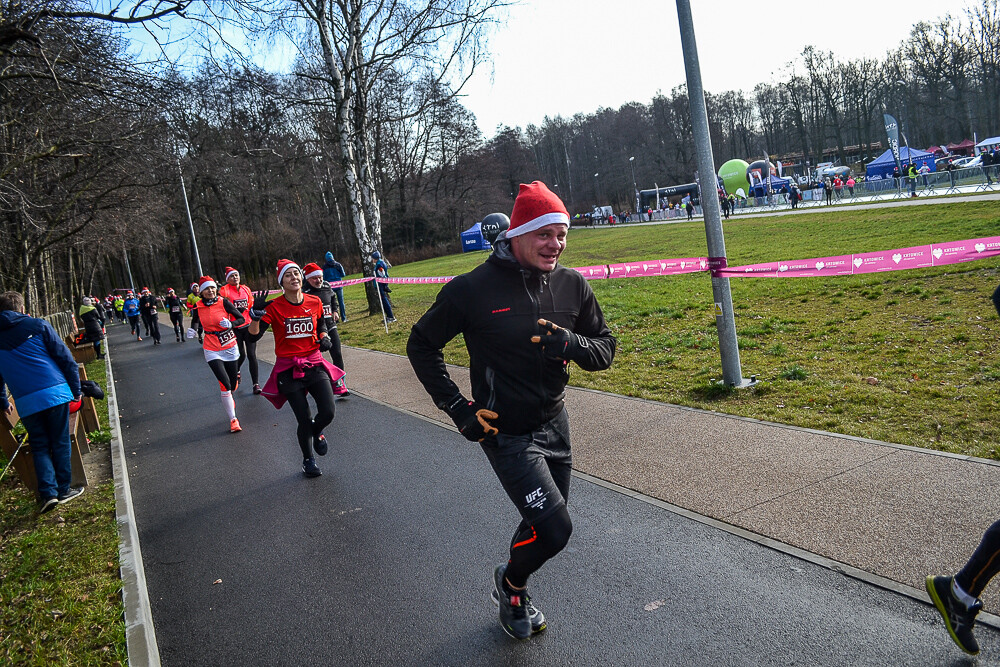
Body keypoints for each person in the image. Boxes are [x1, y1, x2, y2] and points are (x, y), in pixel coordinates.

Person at [407, 181, 617, 640]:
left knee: (541, 524)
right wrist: (460, 410)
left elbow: (605, 351)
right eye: (545, 234)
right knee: (556, 529)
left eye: (562, 234)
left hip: (555, 424)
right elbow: (421, 345)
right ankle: (511, 584)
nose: (555, 244)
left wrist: (572, 343)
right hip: (505, 433)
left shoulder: (571, 284)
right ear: (518, 233)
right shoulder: (472, 290)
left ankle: (513, 587)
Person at [247, 260, 343, 478]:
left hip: (314, 363)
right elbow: (252, 336)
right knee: (303, 417)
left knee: (328, 411)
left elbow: (320, 323)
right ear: (282, 281)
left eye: (296, 274)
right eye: (288, 275)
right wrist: (254, 316)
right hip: (288, 369)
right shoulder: (273, 307)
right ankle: (308, 460)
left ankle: (317, 431)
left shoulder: (314, 300)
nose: (294, 278)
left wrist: (324, 336)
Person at [0, 291, 85, 513]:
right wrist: (76, 390)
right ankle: (63, 490)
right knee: (59, 441)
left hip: (26, 402)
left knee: (39, 446)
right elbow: (65, 358)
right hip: (54, 393)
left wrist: (3, 401)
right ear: (20, 308)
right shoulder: (37, 325)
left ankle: (48, 494)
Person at [194, 276, 246, 433]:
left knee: (231, 383)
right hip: (211, 347)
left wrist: (231, 324)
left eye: (212, 288)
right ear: (201, 292)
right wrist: (194, 329)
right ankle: (233, 420)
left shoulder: (224, 302)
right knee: (224, 385)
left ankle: (235, 376)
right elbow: (195, 321)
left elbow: (241, 318)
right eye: (206, 289)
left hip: (229, 345)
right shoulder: (197, 306)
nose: (210, 291)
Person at [302, 263, 349, 397]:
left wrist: (335, 310)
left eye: (320, 277)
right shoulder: (304, 292)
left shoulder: (327, 286)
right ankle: (318, 385)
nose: (318, 281)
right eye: (314, 278)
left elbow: (333, 298)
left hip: (330, 325)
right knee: (315, 360)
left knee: (337, 353)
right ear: (308, 279)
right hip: (314, 330)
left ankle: (340, 383)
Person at [218, 267, 259, 394]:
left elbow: (251, 305)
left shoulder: (246, 289)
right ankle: (236, 371)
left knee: (252, 355)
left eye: (236, 275)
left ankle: (256, 385)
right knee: (241, 354)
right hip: (235, 327)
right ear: (227, 279)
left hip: (248, 325)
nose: (235, 278)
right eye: (232, 276)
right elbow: (221, 307)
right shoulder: (224, 290)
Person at [322, 252, 348, 323]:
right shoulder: (338, 265)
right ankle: (344, 318)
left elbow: (323, 278)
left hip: (330, 287)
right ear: (333, 257)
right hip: (339, 285)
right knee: (341, 302)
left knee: (331, 304)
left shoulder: (324, 267)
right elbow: (343, 274)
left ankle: (335, 319)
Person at [372, 251, 395, 323]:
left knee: (384, 301)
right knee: (384, 300)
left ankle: (390, 316)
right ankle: (389, 316)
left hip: (380, 284)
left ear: (375, 258)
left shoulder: (379, 265)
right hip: (381, 283)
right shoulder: (381, 262)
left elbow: (382, 274)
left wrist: (384, 284)